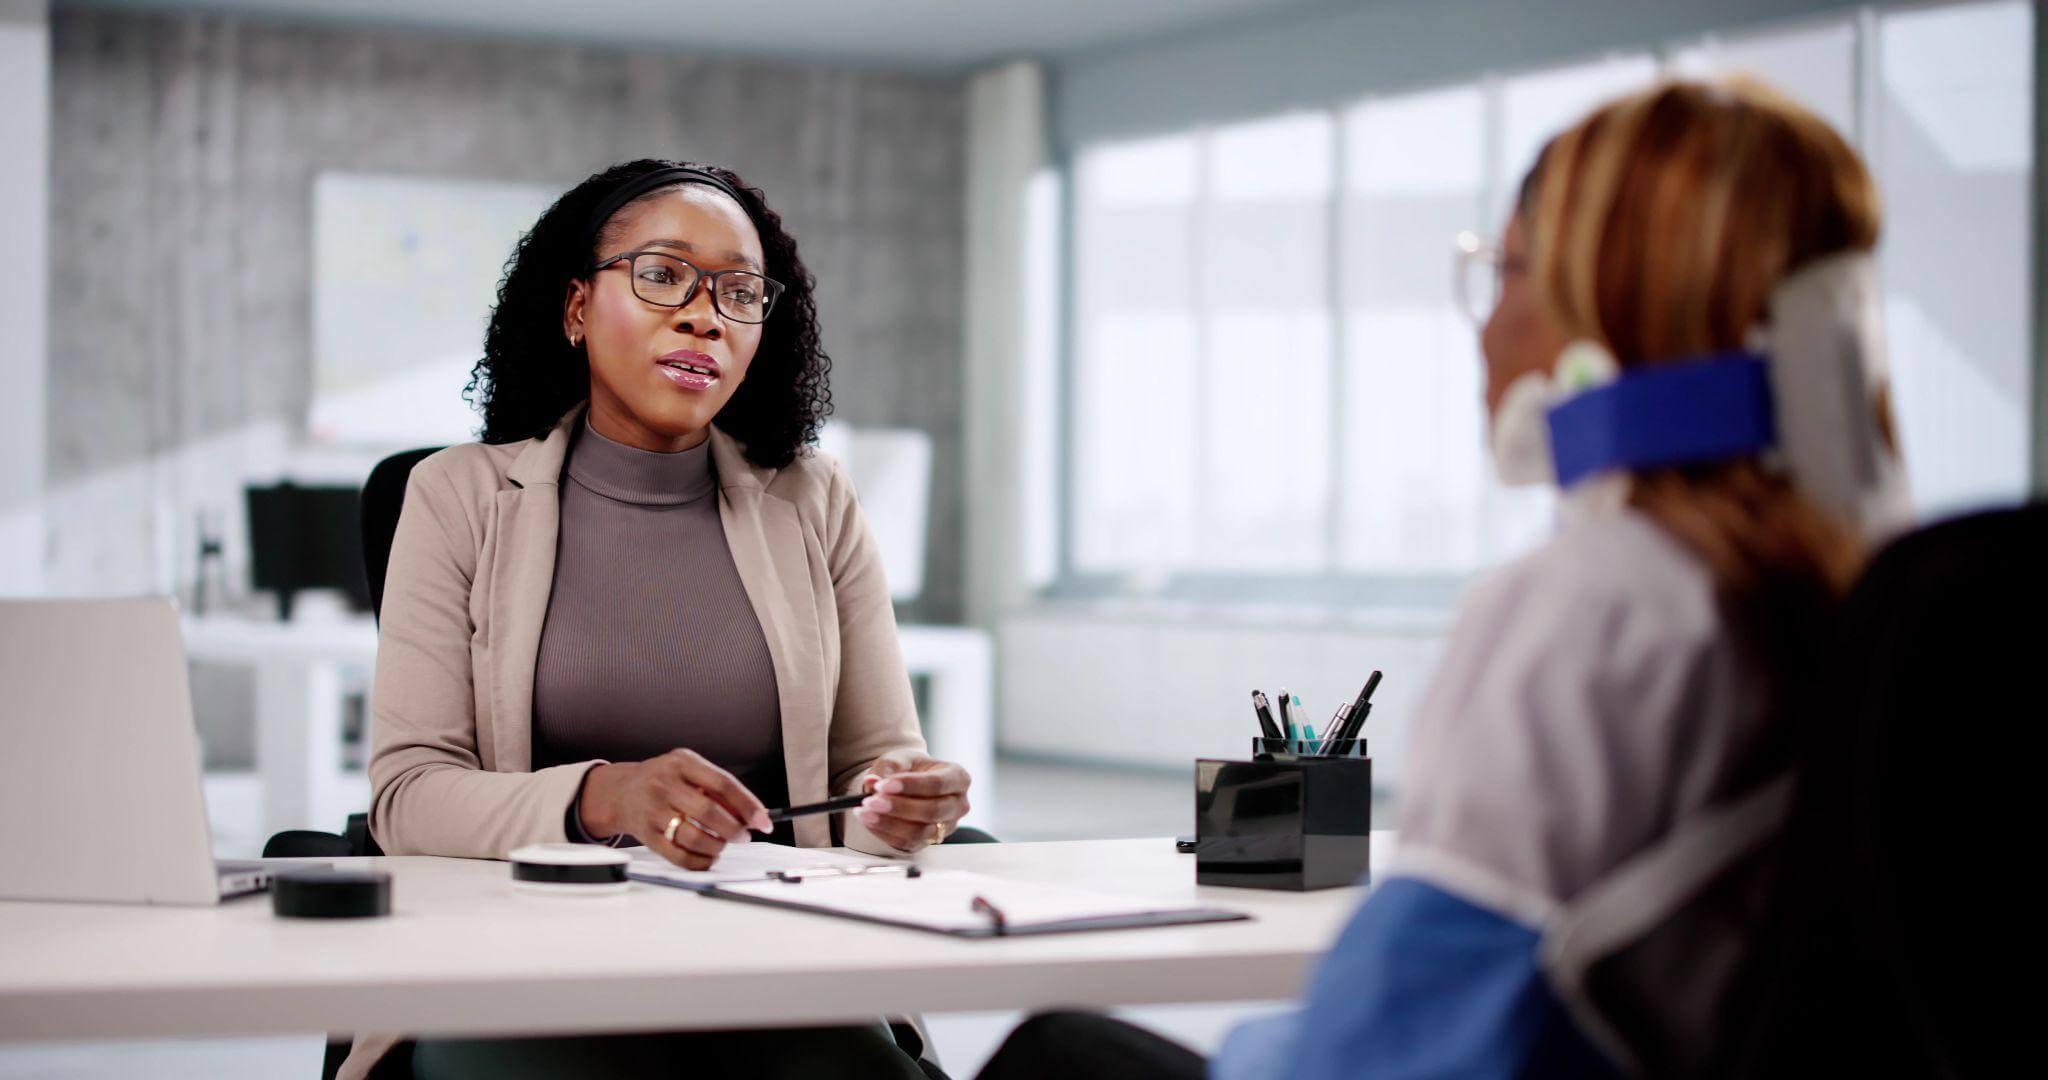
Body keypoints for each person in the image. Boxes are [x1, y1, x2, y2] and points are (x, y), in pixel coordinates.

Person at [979, 76, 1909, 1080]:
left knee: (1056, 1050)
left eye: (1503, 273)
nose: (1484, 324)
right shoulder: (1877, 603)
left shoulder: (1593, 606)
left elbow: (1385, 1048)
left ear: (1600, 318)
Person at [341, 159, 968, 1080]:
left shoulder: (815, 498)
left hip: (771, 961)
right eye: (663, 274)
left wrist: (905, 808)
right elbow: (407, 795)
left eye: (740, 292)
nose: (705, 315)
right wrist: (606, 798)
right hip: (520, 958)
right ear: (576, 309)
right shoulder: (456, 496)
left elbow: (869, 768)